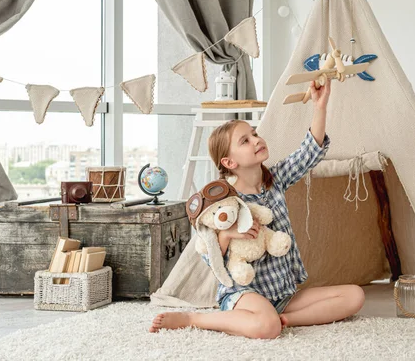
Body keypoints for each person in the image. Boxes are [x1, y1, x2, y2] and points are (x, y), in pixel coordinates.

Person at [150, 80, 365, 338]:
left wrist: (320, 106)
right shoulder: (223, 201)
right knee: (267, 328)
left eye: (254, 134)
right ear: (229, 162)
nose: (256, 140)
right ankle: (195, 318)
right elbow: (210, 258)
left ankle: (285, 319)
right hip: (245, 294)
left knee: (354, 295)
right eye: (245, 140)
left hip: (283, 294)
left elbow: (310, 152)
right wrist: (228, 235)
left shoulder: (275, 180)